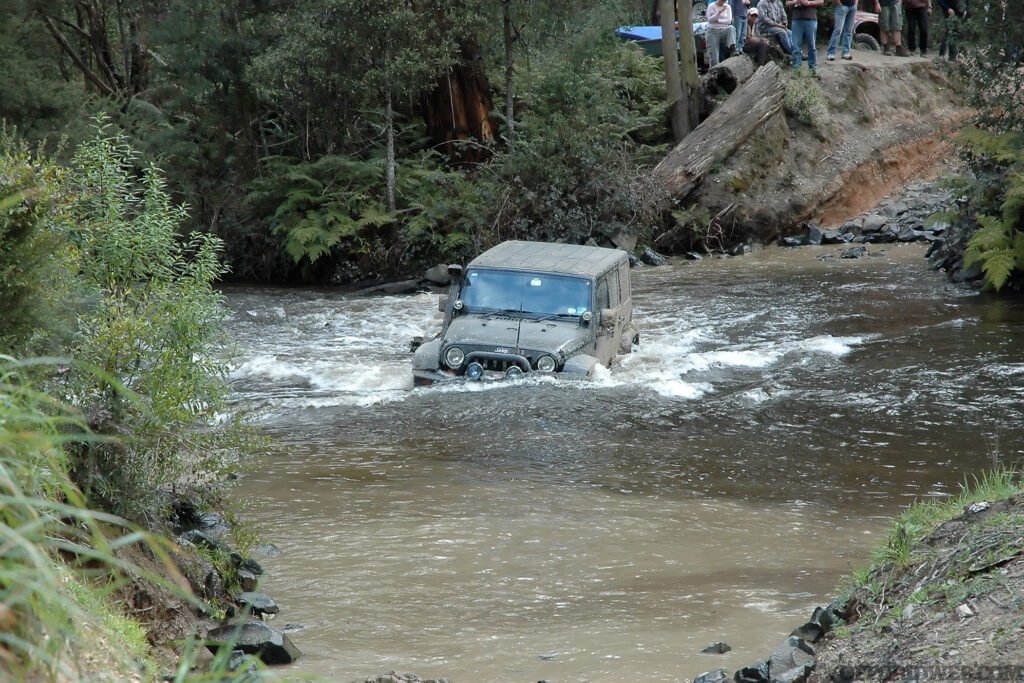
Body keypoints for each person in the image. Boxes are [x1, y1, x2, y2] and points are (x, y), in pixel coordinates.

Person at [787, 0, 824, 76]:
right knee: (796, 47)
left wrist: (809, 3)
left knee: (812, 46)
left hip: (811, 19)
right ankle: (797, 71)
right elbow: (787, 3)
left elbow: (821, 1)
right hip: (796, 19)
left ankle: (812, 71)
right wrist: (796, 1)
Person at [706, 0, 738, 67]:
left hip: (724, 30)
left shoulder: (728, 7)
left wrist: (718, 20)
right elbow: (710, 20)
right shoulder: (711, 6)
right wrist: (719, 12)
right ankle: (713, 72)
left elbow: (729, 21)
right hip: (713, 31)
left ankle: (732, 48)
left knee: (731, 28)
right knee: (714, 59)